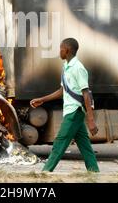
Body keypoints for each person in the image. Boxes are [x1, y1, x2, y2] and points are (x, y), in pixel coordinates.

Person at [30, 38, 100, 172]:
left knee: (60, 142)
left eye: (61, 49)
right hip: (71, 111)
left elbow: (86, 94)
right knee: (85, 145)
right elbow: (63, 90)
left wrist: (90, 120)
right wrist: (42, 99)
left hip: (75, 111)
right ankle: (94, 172)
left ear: (67, 50)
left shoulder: (78, 68)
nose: (59, 51)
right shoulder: (66, 66)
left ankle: (45, 172)